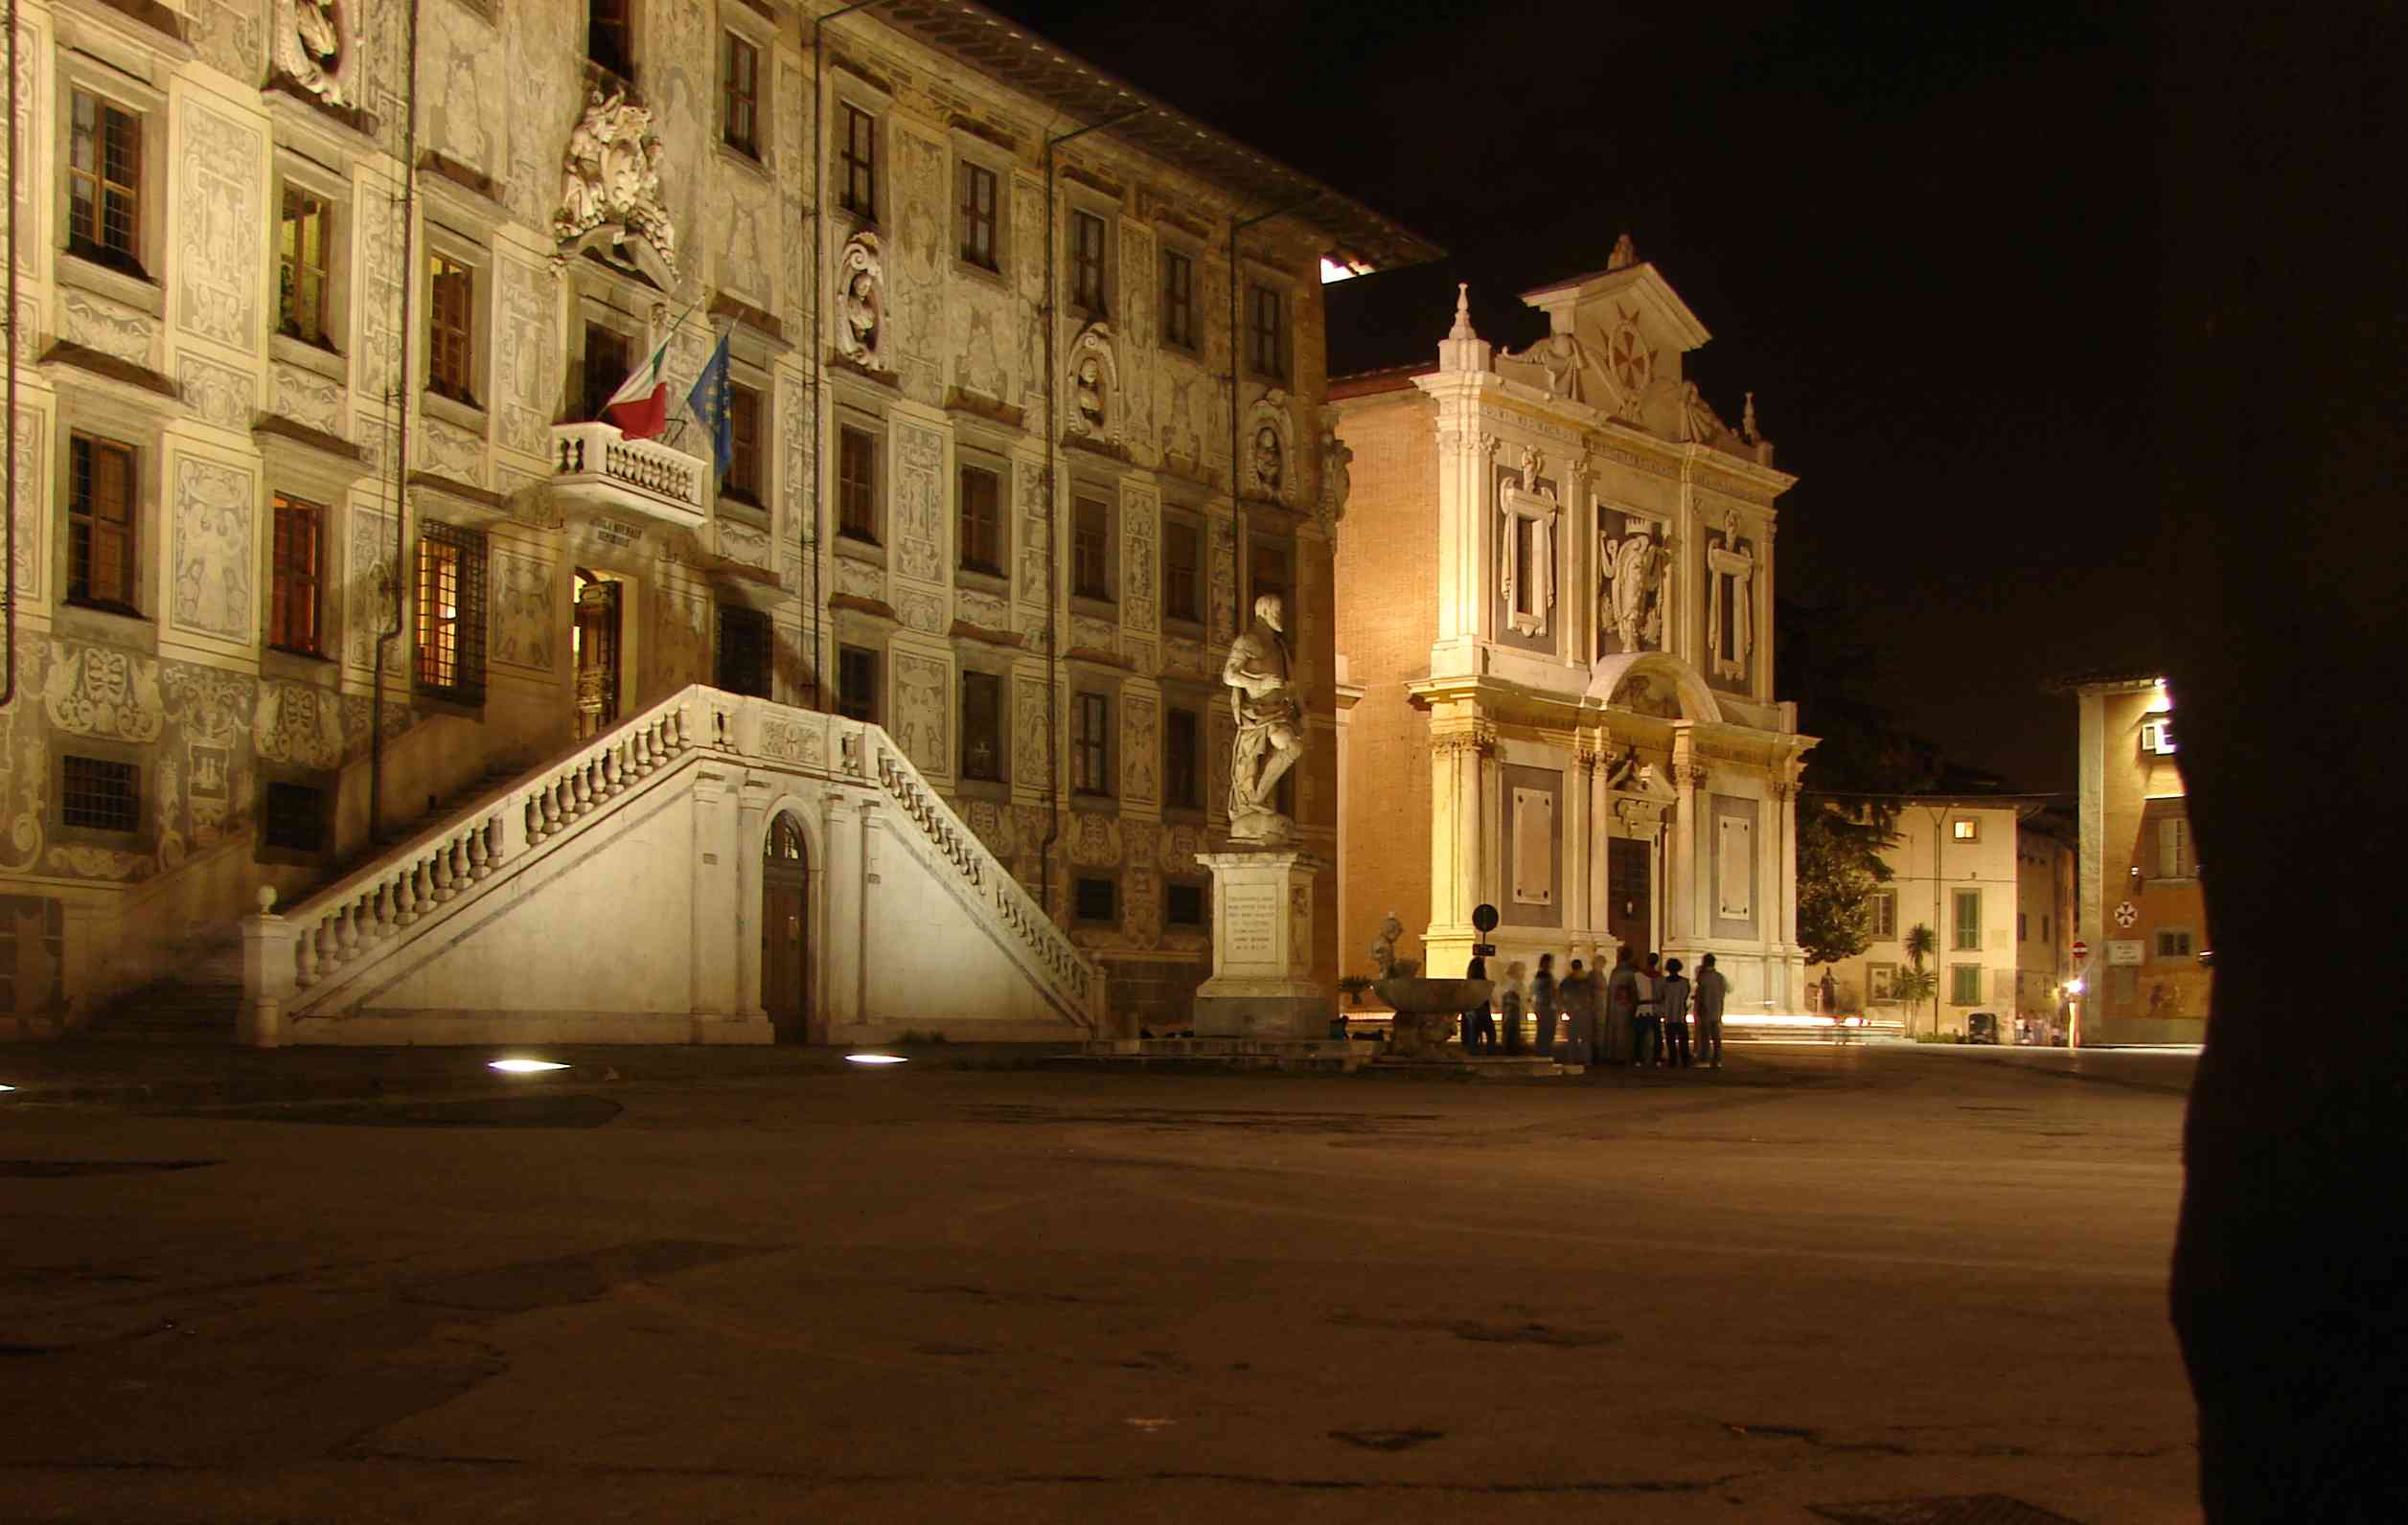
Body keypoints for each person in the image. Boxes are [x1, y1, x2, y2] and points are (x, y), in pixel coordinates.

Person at [1604, 946, 1640, 1064]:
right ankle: (1624, 1056)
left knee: (1618, 1030)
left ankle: (1616, 1055)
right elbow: (1634, 988)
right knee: (1626, 1031)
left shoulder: (1616, 971)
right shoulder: (1631, 971)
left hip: (1617, 1004)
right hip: (1627, 1003)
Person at [1693, 953, 1728, 1068]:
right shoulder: (1720, 977)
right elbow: (1723, 993)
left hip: (1705, 1010)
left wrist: (1698, 1009)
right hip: (1716, 1009)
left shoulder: (1703, 977)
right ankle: (1717, 1059)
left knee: (1705, 1036)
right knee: (1716, 1037)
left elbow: (1700, 995)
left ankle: (1705, 1059)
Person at [1660, 957, 1693, 1068]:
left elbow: (1662, 997)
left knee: (1670, 1039)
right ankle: (1685, 1060)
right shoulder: (1684, 982)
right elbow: (1686, 997)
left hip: (1669, 1014)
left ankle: (1672, 1060)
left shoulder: (1664, 982)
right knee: (1683, 1039)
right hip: (1680, 1013)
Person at [1561, 958, 1594, 1065]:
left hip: (1573, 1012)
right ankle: (1587, 1060)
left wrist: (1564, 1008)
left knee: (1572, 1039)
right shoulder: (1588, 980)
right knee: (1586, 1039)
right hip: (1585, 1012)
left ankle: (1571, 1060)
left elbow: (1562, 996)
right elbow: (1593, 996)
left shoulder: (1567, 981)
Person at [1633, 950, 1663, 1067]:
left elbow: (1634, 993)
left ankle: (1639, 1059)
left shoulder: (1638, 976)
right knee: (1657, 1035)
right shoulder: (1660, 978)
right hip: (1655, 1008)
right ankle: (1657, 1059)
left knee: (1640, 1035)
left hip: (1642, 1008)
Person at [1461, 954, 1496, 1055]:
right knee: (1490, 1033)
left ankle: (1472, 1051)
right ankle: (1489, 1051)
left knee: (1472, 1033)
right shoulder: (1483, 982)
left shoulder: (1468, 982)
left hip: (1470, 1010)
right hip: (1481, 1009)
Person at [1530, 953, 1560, 1058]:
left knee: (1543, 1032)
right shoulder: (1545, 976)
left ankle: (1543, 1053)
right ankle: (1544, 1054)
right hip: (1546, 1008)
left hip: (1542, 1008)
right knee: (1546, 1033)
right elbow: (1552, 993)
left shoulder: (1541, 976)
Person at [1497, 961, 1526, 1055]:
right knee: (1512, 1041)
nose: (1523, 973)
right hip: (1512, 1017)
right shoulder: (1513, 985)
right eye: (1522, 970)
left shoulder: (1511, 984)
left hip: (1512, 1017)